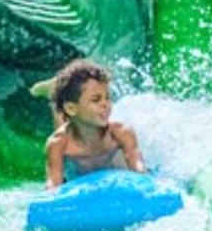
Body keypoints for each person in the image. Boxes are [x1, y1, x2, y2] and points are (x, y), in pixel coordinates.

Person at [42, 58, 145, 188]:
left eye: (107, 97)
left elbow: (140, 170)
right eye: (96, 100)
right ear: (71, 108)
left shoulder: (121, 132)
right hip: (76, 173)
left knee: (73, 120)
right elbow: (53, 184)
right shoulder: (57, 144)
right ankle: (52, 93)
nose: (106, 104)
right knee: (63, 123)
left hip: (111, 171)